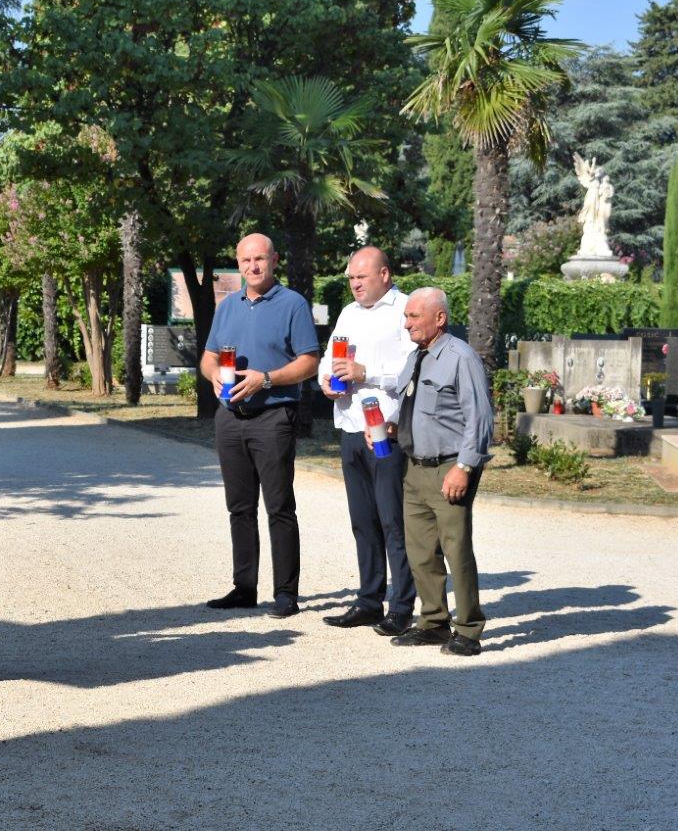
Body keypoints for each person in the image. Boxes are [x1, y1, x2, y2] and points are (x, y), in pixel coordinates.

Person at [200, 233, 319, 618]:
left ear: (274, 260)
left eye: (260, 259)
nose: (253, 266)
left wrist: (265, 378)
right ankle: (244, 587)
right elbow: (209, 357)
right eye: (246, 260)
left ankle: (286, 593)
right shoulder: (228, 306)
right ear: (238, 263)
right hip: (230, 417)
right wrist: (214, 375)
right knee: (239, 508)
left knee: (279, 507)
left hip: (273, 416)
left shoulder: (293, 304)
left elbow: (310, 361)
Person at [377, 287, 492, 657]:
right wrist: (390, 426)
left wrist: (464, 467)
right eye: (407, 316)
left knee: (456, 551)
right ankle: (433, 622)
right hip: (415, 468)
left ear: (439, 318)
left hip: (449, 468)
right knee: (421, 551)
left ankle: (469, 630)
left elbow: (480, 419)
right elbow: (411, 404)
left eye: (414, 316)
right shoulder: (417, 357)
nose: (407, 323)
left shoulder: (461, 358)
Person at [317, 247, 417, 636]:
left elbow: (410, 370)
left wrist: (365, 373)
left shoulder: (405, 310)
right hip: (350, 427)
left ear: (385, 275)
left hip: (386, 430)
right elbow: (330, 357)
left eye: (362, 276)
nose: (355, 283)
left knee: (393, 520)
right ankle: (368, 600)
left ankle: (403, 605)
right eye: (351, 278)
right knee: (362, 521)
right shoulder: (348, 313)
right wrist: (326, 381)